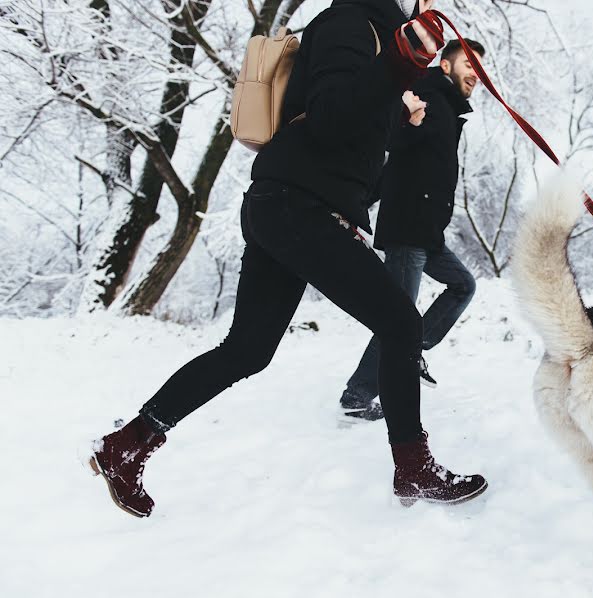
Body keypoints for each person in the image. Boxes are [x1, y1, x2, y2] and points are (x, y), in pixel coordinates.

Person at [88, 0, 488, 518]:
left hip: (287, 207)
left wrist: (405, 121)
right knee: (401, 324)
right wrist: (398, 65)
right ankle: (413, 466)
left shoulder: (378, 40)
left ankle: (128, 444)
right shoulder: (351, 23)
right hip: (298, 208)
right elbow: (328, 118)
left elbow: (357, 143)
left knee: (248, 350)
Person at [340, 38, 486, 421]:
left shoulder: (447, 107)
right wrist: (409, 118)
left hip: (427, 233)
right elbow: (394, 141)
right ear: (447, 66)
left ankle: (412, 347)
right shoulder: (426, 94)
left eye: (480, 69)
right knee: (398, 319)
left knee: (462, 286)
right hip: (408, 230)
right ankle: (358, 395)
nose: (476, 74)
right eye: (469, 64)